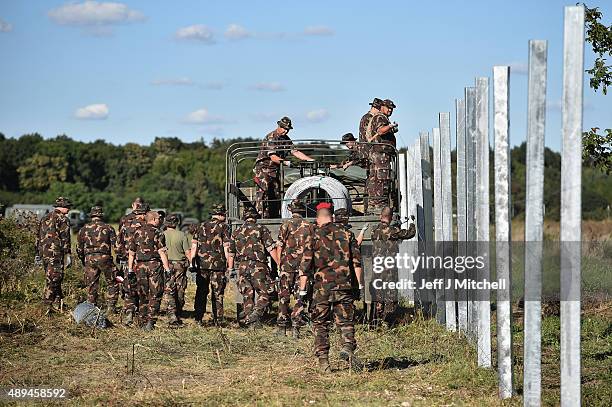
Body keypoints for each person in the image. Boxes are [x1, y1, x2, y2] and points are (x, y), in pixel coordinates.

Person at [300, 202, 364, 372]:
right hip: (344, 286)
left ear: (318, 219)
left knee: (320, 324)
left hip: (322, 289)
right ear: (332, 217)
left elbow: (305, 267)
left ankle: (324, 363)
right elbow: (357, 263)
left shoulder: (312, 236)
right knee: (346, 321)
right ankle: (347, 347)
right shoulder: (347, 234)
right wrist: (359, 287)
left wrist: (302, 291)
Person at [253, 116, 314, 218]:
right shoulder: (271, 137)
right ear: (279, 126)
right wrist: (286, 162)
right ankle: (261, 216)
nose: (286, 131)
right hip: (264, 170)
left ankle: (274, 216)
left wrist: (309, 159)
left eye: (288, 129)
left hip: (275, 170)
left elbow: (295, 151)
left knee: (276, 194)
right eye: (284, 129)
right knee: (263, 193)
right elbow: (273, 157)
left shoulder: (286, 139)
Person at [228, 206, 279, 327]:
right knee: (266, 292)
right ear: (255, 217)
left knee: (247, 294)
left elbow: (231, 253)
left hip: (242, 266)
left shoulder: (236, 231)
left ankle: (251, 324)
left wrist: (230, 269)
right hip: (258, 266)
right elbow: (270, 248)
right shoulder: (261, 229)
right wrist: (279, 264)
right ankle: (255, 314)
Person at [370, 206, 416, 327]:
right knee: (390, 294)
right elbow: (410, 234)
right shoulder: (393, 231)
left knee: (378, 293)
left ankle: (376, 320)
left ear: (380, 216)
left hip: (377, 267)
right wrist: (412, 223)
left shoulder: (374, 230)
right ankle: (389, 320)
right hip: (389, 269)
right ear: (390, 218)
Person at [275, 199, 313, 337]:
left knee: (283, 297)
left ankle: (281, 327)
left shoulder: (285, 225)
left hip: (287, 266)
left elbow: (279, 245)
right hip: (303, 267)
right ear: (303, 210)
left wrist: (279, 263)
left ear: (291, 210)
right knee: (300, 297)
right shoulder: (309, 226)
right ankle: (296, 327)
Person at [128, 211, 171, 331]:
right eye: (158, 218)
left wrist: (130, 269)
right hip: (154, 266)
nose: (160, 220)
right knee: (156, 293)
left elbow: (131, 253)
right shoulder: (158, 232)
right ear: (153, 219)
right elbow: (162, 252)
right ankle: (151, 321)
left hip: (140, 266)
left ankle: (142, 321)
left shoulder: (137, 232)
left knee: (142, 294)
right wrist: (167, 269)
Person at [190, 204, 232, 326]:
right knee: (217, 293)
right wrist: (230, 266)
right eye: (224, 214)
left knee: (201, 291)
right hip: (218, 266)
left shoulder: (201, 226)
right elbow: (226, 247)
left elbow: (194, 246)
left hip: (202, 265)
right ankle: (218, 320)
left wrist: (192, 263)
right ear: (220, 214)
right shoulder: (224, 227)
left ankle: (198, 318)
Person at [76, 206, 119, 313]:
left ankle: (91, 306)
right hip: (105, 257)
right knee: (112, 282)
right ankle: (111, 307)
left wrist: (83, 260)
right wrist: (120, 258)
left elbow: (79, 248)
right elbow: (116, 246)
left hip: (89, 258)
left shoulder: (83, 229)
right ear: (101, 216)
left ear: (91, 216)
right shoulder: (108, 228)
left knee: (92, 284)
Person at [36, 196, 72, 314]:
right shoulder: (63, 219)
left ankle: (58, 302)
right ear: (62, 207)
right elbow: (65, 239)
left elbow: (38, 236)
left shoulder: (44, 217)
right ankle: (47, 303)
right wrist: (68, 255)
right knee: (55, 277)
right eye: (68, 207)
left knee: (51, 277)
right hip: (56, 253)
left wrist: (38, 252)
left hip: (44, 253)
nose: (69, 209)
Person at [366, 99, 399, 213]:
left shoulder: (377, 117)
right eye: (388, 107)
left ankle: (373, 204)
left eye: (392, 108)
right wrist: (391, 126)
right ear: (382, 107)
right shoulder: (380, 117)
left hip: (377, 153)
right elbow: (380, 131)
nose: (390, 110)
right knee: (382, 178)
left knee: (374, 178)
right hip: (381, 154)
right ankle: (379, 204)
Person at [120, 202, 149, 325]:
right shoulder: (147, 226)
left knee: (129, 288)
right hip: (142, 261)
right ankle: (141, 317)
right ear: (144, 213)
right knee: (143, 288)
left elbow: (119, 242)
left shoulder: (125, 224)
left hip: (128, 260)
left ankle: (129, 314)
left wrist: (121, 257)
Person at [162, 213, 191, 325]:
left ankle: (172, 314)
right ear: (177, 223)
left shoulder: (162, 234)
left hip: (166, 265)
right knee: (180, 289)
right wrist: (192, 264)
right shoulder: (182, 235)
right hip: (180, 265)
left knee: (169, 289)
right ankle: (178, 311)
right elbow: (187, 252)